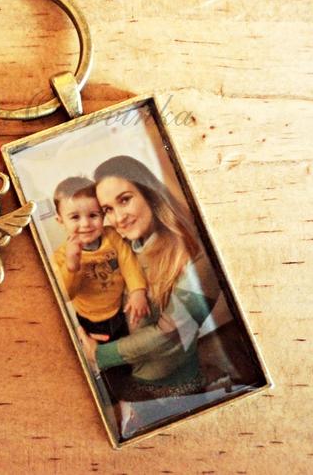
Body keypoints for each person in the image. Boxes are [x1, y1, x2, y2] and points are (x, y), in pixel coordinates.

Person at [78, 156, 221, 435]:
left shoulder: (197, 256)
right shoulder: (129, 252)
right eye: (108, 209)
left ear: (149, 193)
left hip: (178, 393)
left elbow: (169, 336)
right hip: (136, 389)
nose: (118, 218)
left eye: (125, 200)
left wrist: (99, 354)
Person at [51, 176, 150, 344]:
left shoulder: (112, 236)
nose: (86, 224)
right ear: (60, 221)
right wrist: (71, 266)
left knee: (124, 345)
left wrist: (137, 291)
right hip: (90, 319)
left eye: (93, 215)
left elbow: (128, 262)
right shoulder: (60, 256)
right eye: (75, 217)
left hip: (120, 308)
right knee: (99, 352)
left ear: (103, 215)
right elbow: (65, 295)